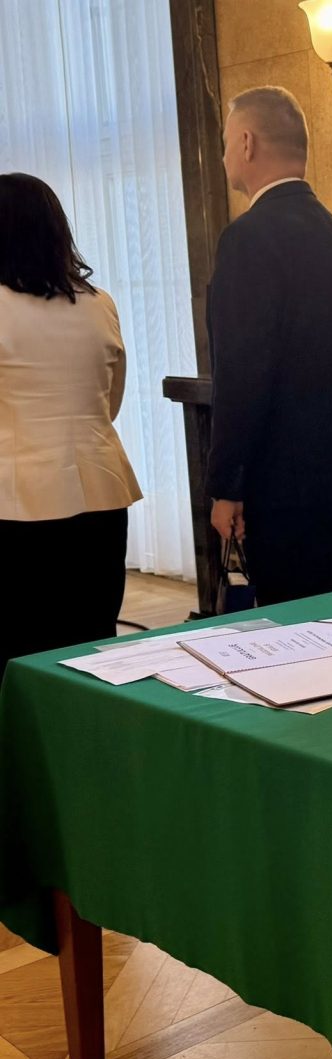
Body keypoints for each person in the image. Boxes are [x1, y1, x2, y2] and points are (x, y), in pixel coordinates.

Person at [207, 86, 332, 606]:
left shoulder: (246, 240)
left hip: (280, 486)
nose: (225, 155)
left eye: (225, 142)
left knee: (289, 630)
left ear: (247, 142)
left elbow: (241, 375)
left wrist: (227, 485)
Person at [0, 173, 141, 679]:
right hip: (100, 494)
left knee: (18, 653)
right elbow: (110, 400)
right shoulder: (99, 303)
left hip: (18, 503)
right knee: (91, 643)